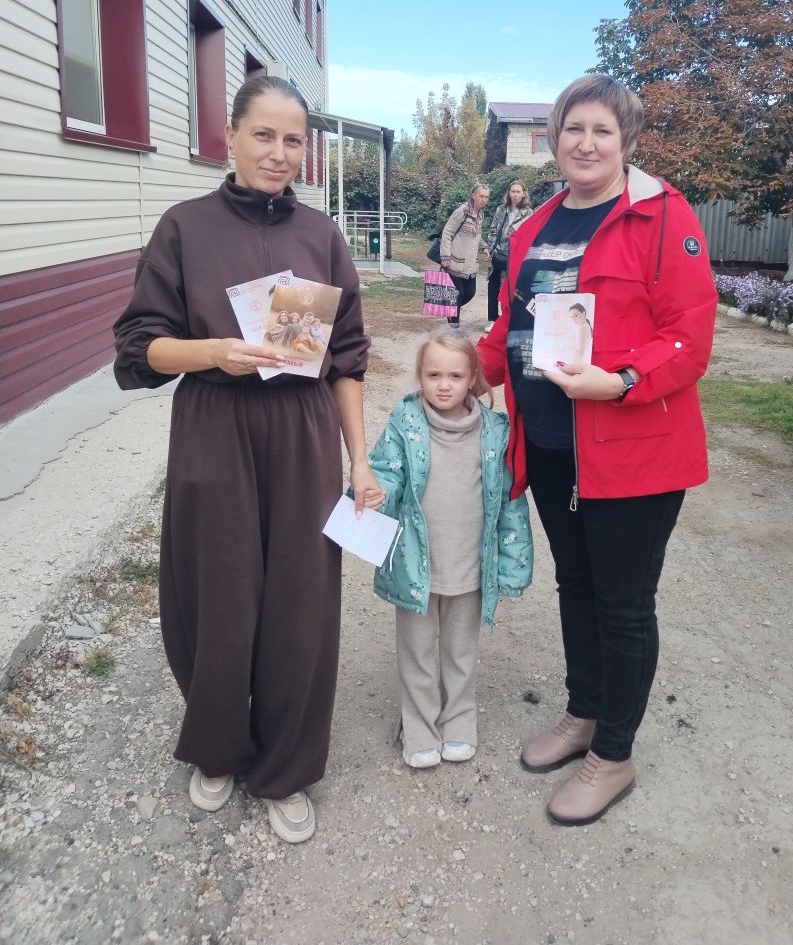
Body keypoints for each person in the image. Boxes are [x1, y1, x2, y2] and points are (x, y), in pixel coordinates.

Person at [113, 74, 384, 844]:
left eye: (293, 140)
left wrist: (359, 460)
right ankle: (219, 746)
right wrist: (213, 352)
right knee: (220, 592)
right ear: (229, 136)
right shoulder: (184, 227)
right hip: (216, 423)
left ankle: (285, 767)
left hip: (301, 433)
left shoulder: (321, 236)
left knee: (302, 600)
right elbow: (137, 349)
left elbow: (348, 358)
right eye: (263, 134)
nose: (278, 152)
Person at [478, 74, 717, 827]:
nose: (585, 144)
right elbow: (511, 326)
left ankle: (614, 754)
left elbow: (688, 336)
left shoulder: (662, 215)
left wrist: (619, 381)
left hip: (633, 450)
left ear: (626, 142)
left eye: (601, 131)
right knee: (576, 587)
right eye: (573, 129)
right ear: (554, 138)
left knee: (622, 603)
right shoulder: (533, 226)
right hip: (553, 444)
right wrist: (459, 375)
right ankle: (584, 713)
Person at [368, 326, 533, 769]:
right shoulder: (404, 425)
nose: (444, 385)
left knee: (461, 652)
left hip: (469, 567)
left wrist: (513, 564)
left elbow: (511, 502)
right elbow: (385, 473)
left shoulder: (495, 432)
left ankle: (459, 720)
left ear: (473, 378)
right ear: (419, 376)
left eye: (455, 376)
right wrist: (371, 495)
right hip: (414, 567)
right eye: (434, 375)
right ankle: (420, 726)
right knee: (417, 652)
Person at [484, 179, 532, 329]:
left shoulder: (528, 213)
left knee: (510, 288)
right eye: (513, 191)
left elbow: (528, 236)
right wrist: (491, 248)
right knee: (493, 287)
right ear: (509, 193)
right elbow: (493, 229)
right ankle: (492, 319)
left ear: (524, 194)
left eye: (518, 192)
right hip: (498, 253)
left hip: (514, 256)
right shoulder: (501, 209)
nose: (515, 195)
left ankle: (508, 320)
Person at [439, 183, 489, 325]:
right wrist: (445, 256)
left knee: (470, 293)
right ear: (473, 195)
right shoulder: (462, 211)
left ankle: (451, 310)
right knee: (458, 293)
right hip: (454, 260)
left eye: (486, 197)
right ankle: (454, 325)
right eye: (481, 196)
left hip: (470, 264)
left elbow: (477, 235)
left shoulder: (481, 214)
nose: (484, 200)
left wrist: (485, 247)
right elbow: (447, 233)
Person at [567, 302, 593, 366]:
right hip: (580, 363)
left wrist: (567, 347)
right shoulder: (586, 326)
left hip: (577, 364)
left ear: (583, 313)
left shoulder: (582, 328)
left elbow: (580, 353)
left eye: (576, 316)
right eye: (571, 317)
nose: (574, 320)